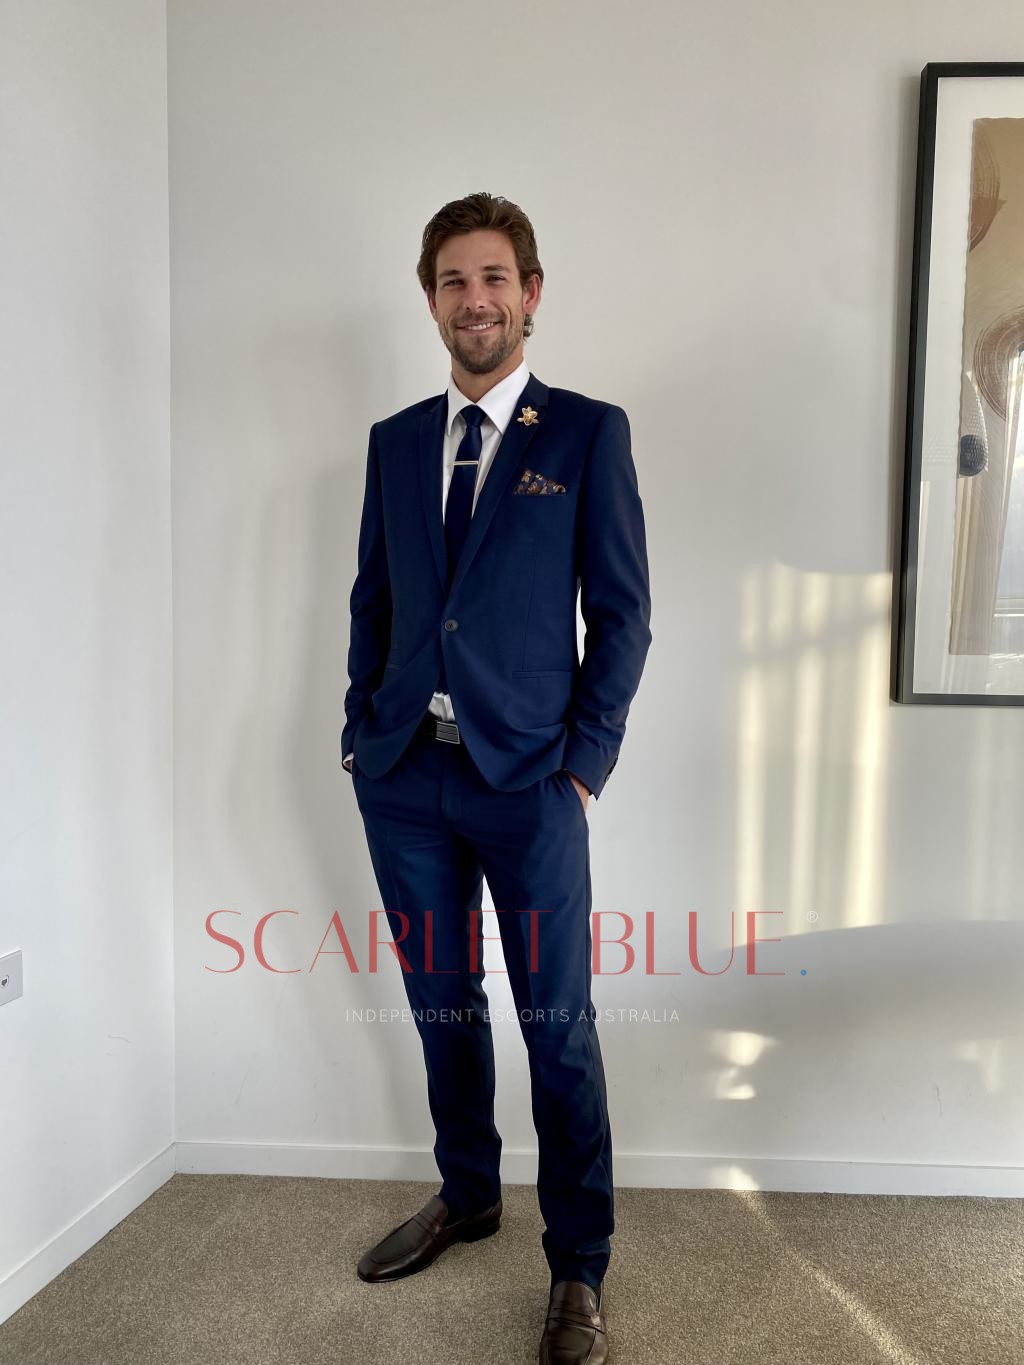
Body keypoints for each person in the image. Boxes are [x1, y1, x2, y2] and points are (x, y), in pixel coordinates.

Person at [341, 191, 652, 1365]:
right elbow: (374, 602)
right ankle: (468, 1194)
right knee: (442, 1003)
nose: (473, 300)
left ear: (529, 293)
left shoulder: (584, 434)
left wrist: (582, 768)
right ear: (429, 300)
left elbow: (622, 615)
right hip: (403, 780)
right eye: (451, 281)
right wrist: (358, 732)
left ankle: (578, 1265)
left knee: (556, 1027)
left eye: (491, 278)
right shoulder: (393, 441)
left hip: (530, 786)